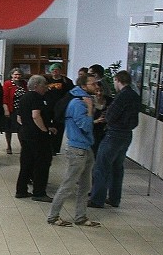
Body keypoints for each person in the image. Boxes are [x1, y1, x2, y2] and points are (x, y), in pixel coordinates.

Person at [47, 72, 102, 227]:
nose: (97, 87)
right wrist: (90, 110)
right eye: (93, 84)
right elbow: (84, 125)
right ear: (83, 86)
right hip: (77, 149)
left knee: (85, 185)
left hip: (86, 147)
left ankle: (81, 216)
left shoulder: (84, 99)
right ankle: (53, 216)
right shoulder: (78, 103)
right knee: (69, 184)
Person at [89, 70, 139, 208]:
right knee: (117, 167)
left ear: (117, 80)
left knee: (101, 166)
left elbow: (111, 116)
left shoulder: (121, 96)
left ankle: (97, 200)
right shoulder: (135, 95)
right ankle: (114, 199)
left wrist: (106, 117)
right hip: (127, 134)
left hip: (114, 134)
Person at [15, 75, 55, 201]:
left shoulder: (24, 97)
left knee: (26, 163)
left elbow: (19, 118)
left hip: (25, 134)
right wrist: (45, 130)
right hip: (37, 136)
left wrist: (28, 126)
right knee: (41, 164)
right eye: (44, 86)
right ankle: (39, 192)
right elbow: (36, 115)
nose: (46, 89)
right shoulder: (37, 98)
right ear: (37, 86)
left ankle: (21, 190)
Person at [44, 63, 74, 154]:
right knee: (47, 125)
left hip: (61, 108)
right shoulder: (46, 80)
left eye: (57, 70)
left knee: (59, 127)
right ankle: (46, 146)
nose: (55, 71)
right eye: (53, 70)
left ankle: (55, 148)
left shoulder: (66, 81)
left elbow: (70, 93)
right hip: (48, 106)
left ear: (60, 71)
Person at [2, 67, 27, 154]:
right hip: (11, 109)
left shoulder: (24, 84)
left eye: (19, 74)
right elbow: (5, 98)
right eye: (15, 74)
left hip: (22, 110)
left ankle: (23, 146)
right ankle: (9, 146)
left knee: (21, 129)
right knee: (8, 129)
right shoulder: (7, 84)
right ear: (12, 75)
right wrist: (6, 110)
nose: (17, 76)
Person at [91, 78, 112, 155]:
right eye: (97, 91)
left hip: (106, 131)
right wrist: (96, 121)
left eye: (101, 91)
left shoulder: (110, 101)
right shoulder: (89, 101)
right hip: (93, 132)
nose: (99, 93)